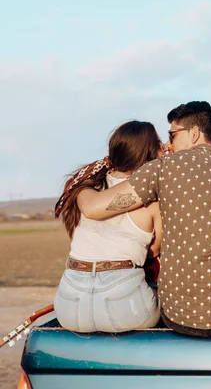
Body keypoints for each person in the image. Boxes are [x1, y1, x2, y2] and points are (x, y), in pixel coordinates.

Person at [78, 101, 211, 337]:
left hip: (179, 316)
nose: (168, 145)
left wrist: (81, 188)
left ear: (194, 134)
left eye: (172, 135)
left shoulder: (161, 169)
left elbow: (93, 209)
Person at [54, 121, 162, 333]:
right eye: (158, 143)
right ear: (147, 154)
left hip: (69, 303)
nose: (163, 148)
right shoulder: (152, 199)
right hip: (124, 303)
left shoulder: (86, 189)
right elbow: (155, 250)